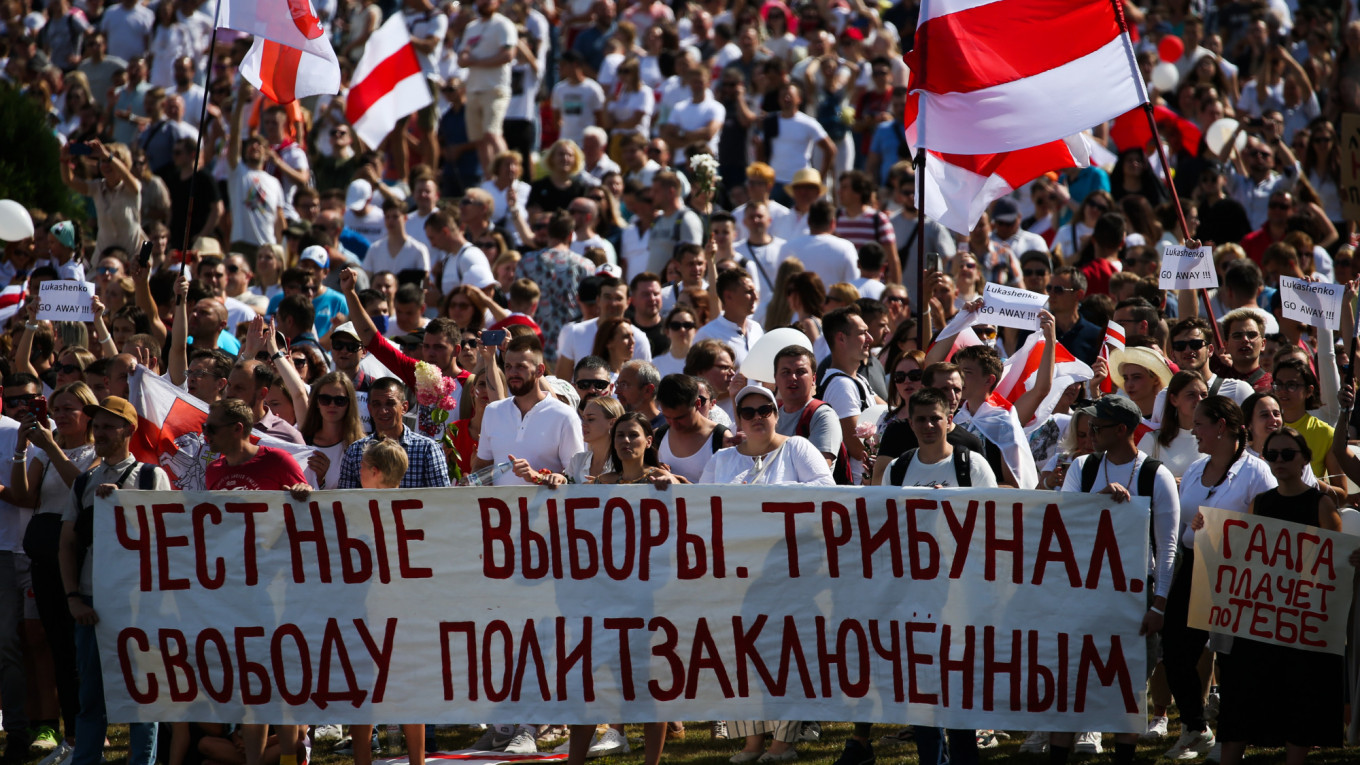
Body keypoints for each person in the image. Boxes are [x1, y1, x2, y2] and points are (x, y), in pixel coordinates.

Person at [1194, 427, 1345, 765]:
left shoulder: (1321, 503)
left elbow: (1334, 561)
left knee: (1299, 696)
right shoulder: (1261, 502)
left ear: (1304, 459)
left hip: (1300, 623)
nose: (1279, 461)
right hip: (1261, 624)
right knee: (1243, 697)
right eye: (1272, 454)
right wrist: (1206, 531)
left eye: (1287, 454)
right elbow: (1239, 552)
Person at [1053, 395, 1179, 765]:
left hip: (1135, 594)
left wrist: (1159, 604)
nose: (1089, 433)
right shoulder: (1083, 467)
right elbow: (1064, 522)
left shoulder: (1156, 475)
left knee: (1129, 683)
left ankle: (1123, 756)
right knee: (1073, 680)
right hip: (1085, 593)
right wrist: (1099, 501)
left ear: (1121, 430)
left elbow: (1167, 547)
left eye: (1097, 427)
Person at [1161, 396, 1276, 761]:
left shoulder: (1256, 472)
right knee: (1177, 651)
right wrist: (1194, 527)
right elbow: (1181, 522)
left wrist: (1223, 530)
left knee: (1232, 660)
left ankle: (1231, 739)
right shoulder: (1195, 469)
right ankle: (1196, 727)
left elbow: (1270, 527)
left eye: (1199, 424)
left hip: (1236, 573)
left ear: (1221, 427)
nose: (1193, 431)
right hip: (1195, 566)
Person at [59, 396, 168, 765]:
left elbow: (168, 538)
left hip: (140, 604)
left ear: (128, 431)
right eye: (97, 425)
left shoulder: (153, 476)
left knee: (144, 695)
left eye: (108, 425)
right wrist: (74, 597)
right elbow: (67, 545)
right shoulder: (84, 482)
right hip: (93, 603)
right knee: (91, 696)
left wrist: (126, 505)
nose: (100, 433)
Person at [8, 382, 98, 762]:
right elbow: (27, 497)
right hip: (44, 559)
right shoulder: (48, 448)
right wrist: (20, 450)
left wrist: (51, 447)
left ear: (88, 414)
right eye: (56, 408)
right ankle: (71, 733)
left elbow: (82, 487)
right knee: (58, 645)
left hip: (78, 559)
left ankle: (89, 730)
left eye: (69, 408)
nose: (60, 415)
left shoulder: (97, 451)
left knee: (82, 648)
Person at [477, 335, 584, 485]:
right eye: (508, 366)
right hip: (500, 508)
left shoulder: (565, 415)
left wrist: (539, 476)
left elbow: (576, 476)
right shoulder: (492, 411)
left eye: (521, 366)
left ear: (540, 370)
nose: (513, 373)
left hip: (546, 508)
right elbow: (482, 468)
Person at [338, 378, 451, 489]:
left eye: (390, 403)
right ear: (370, 409)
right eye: (377, 404)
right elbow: (347, 502)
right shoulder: (355, 451)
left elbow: (442, 500)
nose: (383, 410)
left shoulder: (428, 449)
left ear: (404, 407)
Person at [653, 374, 727, 483]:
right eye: (667, 417)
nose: (674, 424)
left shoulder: (721, 439)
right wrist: (653, 470)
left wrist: (683, 485)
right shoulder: (658, 436)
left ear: (697, 404)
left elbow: (728, 493)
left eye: (681, 417)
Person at [298, 372, 365, 491]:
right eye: (325, 399)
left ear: (349, 404)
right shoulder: (301, 441)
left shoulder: (362, 447)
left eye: (340, 400)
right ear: (317, 403)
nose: (332, 405)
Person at [1137, 371, 1209, 478]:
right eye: (1191, 395)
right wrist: (1166, 483)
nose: (1199, 400)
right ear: (1174, 399)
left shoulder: (1215, 438)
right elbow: (1134, 479)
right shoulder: (1152, 440)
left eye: (1203, 395)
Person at [594, 412, 685, 487]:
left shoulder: (663, 479)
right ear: (614, 442)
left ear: (648, 442)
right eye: (620, 435)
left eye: (633, 435)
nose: (626, 440)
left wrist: (674, 486)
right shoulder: (602, 482)